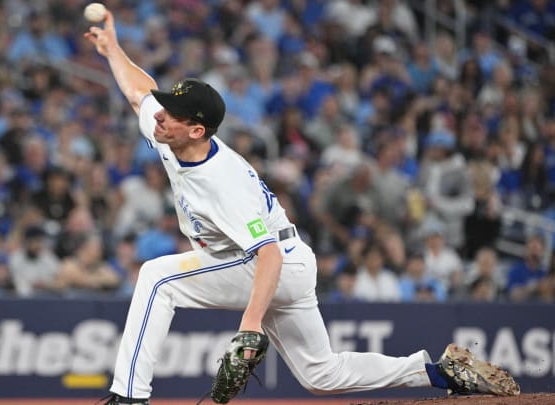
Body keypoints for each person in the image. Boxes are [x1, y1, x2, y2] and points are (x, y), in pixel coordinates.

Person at [83, 10, 519, 404]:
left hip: (271, 263)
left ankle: (129, 399)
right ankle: (437, 372)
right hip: (285, 259)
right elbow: (142, 92)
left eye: (172, 113)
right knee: (321, 373)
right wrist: (113, 50)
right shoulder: (172, 132)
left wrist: (250, 325)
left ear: (196, 129)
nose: (159, 115)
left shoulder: (222, 182)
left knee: (158, 277)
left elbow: (267, 253)